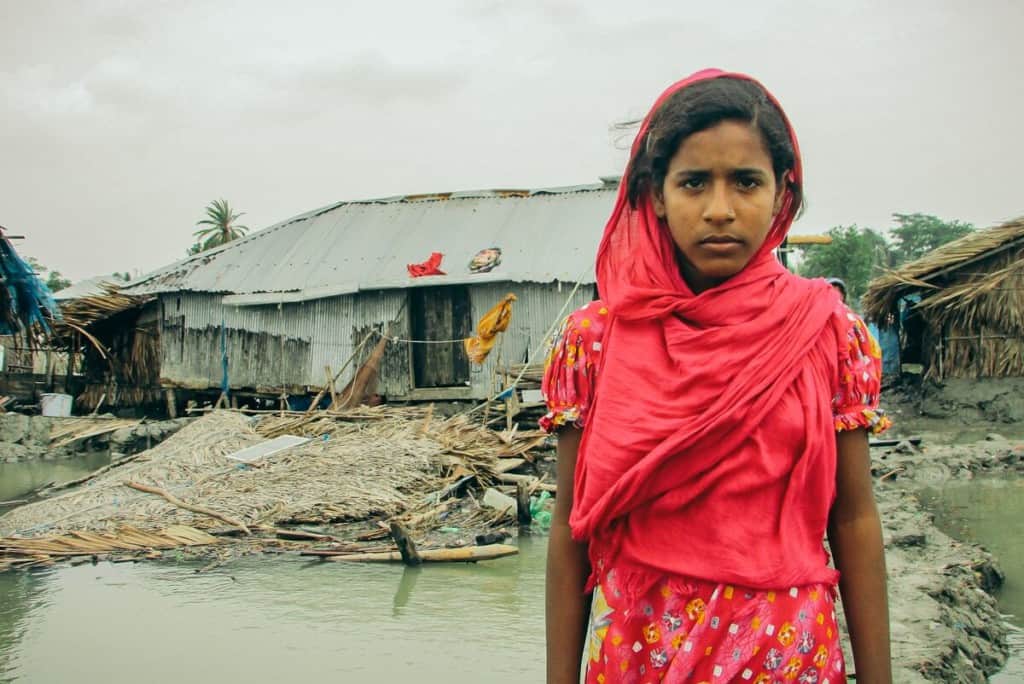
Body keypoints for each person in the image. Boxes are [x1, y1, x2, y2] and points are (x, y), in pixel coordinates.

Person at [543, 69, 893, 684]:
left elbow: (854, 519)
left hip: (786, 656)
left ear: (782, 193)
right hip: (638, 651)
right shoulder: (597, 340)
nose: (720, 210)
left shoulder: (829, 333)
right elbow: (572, 528)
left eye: (746, 182)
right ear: (655, 194)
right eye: (694, 182)